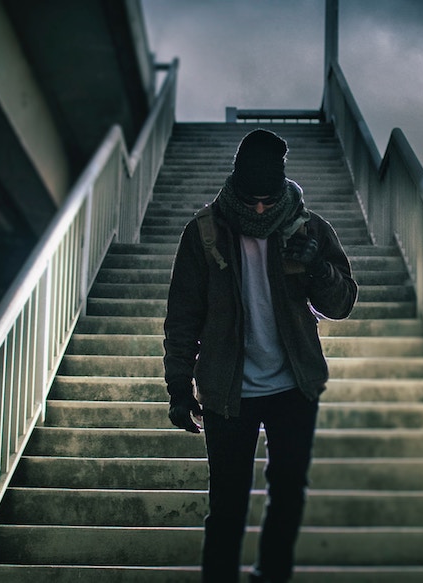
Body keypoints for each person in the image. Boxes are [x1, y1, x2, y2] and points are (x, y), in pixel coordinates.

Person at [163, 128, 358, 582]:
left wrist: (317, 266)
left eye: (267, 201)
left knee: (288, 496)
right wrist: (178, 387)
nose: (258, 210)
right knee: (227, 507)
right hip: (228, 393)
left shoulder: (309, 228)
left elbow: (342, 304)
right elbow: (183, 317)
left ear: (281, 189)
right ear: (234, 184)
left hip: (294, 386)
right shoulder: (204, 233)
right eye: (250, 200)